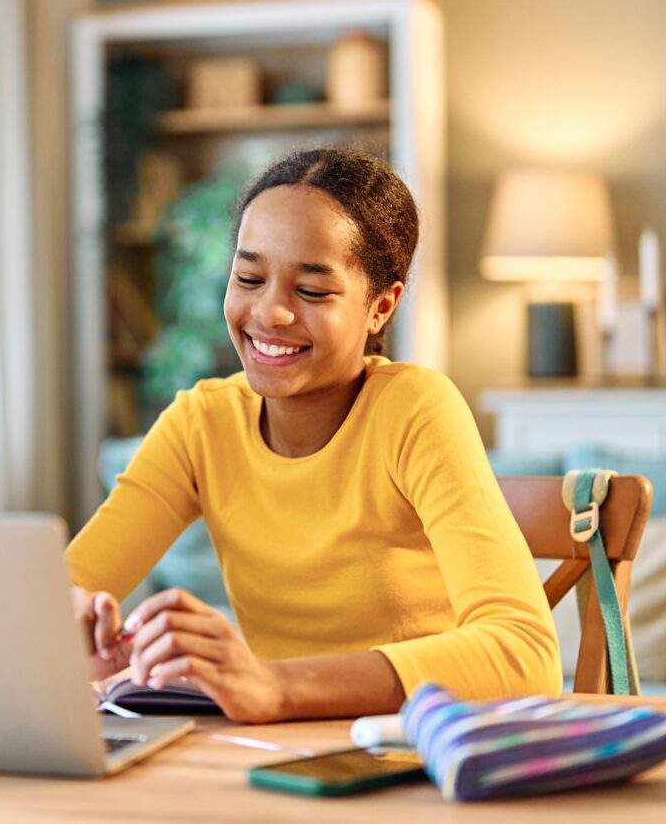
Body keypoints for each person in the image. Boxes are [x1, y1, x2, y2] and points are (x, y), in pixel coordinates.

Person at [67, 148, 561, 723]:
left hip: (412, 748)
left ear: (381, 306)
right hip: (274, 749)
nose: (269, 313)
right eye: (249, 277)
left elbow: (525, 653)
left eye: (312, 291)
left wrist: (274, 687)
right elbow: (66, 590)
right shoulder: (202, 422)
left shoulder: (415, 411)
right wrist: (72, 627)